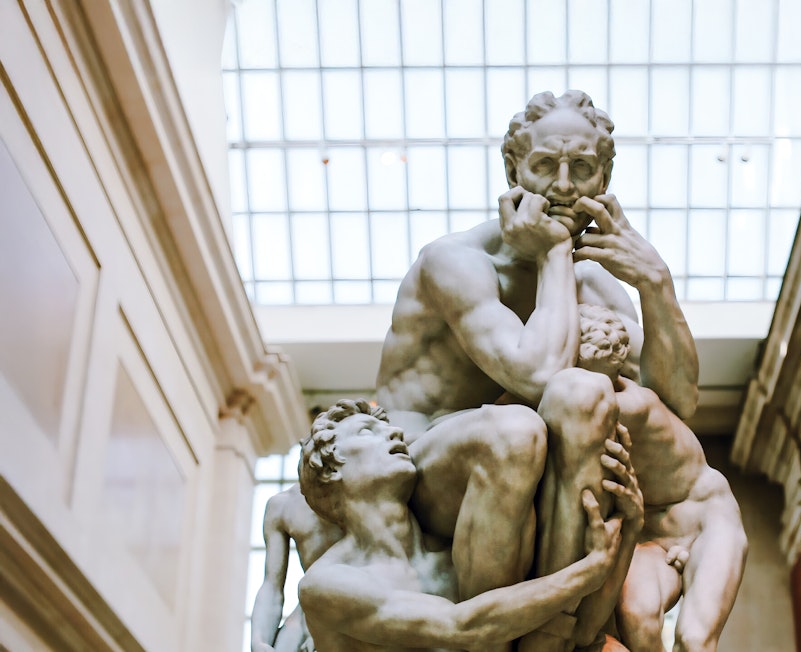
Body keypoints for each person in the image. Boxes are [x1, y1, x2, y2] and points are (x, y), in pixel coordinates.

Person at [373, 90, 700, 650]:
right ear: (513, 171)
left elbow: (676, 404)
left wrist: (656, 284)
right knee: (515, 430)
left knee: (584, 395)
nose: (564, 185)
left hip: (532, 482)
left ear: (604, 178)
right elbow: (537, 373)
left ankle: (552, 638)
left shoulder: (594, 281)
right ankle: (489, 640)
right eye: (546, 165)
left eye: (583, 167)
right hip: (425, 477)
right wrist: (553, 254)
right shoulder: (457, 262)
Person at [295, 398, 642, 652]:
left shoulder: (458, 554)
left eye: (388, 427)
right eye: (367, 431)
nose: (394, 433)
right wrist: (588, 571)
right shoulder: (328, 583)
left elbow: (582, 629)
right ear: (331, 468)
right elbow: (464, 627)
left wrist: (630, 527)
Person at [575, 304, 748, 652]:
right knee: (635, 616)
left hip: (704, 521)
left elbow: (559, 403)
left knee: (695, 640)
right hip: (648, 537)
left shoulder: (634, 404)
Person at [250, 483, 343, 652]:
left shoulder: (363, 491)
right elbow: (272, 586)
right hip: (310, 609)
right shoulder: (283, 505)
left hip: (359, 601)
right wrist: (259, 641)